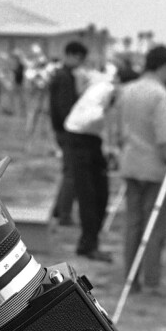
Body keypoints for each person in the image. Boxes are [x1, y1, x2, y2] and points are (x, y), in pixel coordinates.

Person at [117, 43, 166, 297]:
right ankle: (152, 281)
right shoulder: (159, 94)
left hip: (131, 163)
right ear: (164, 67)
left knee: (133, 224)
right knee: (154, 227)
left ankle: (131, 280)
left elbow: (120, 129)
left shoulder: (127, 90)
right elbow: (164, 136)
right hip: (153, 166)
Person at [62, 61, 117, 262]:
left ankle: (89, 243)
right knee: (90, 196)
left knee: (100, 195)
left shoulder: (104, 88)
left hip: (88, 140)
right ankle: (88, 245)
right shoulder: (105, 90)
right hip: (80, 139)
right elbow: (90, 118)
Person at [48, 41, 88, 227]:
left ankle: (58, 209)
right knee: (72, 173)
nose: (80, 63)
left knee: (68, 172)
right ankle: (64, 214)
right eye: (79, 58)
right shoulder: (64, 77)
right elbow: (64, 109)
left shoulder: (62, 75)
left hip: (61, 130)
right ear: (71, 55)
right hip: (67, 131)